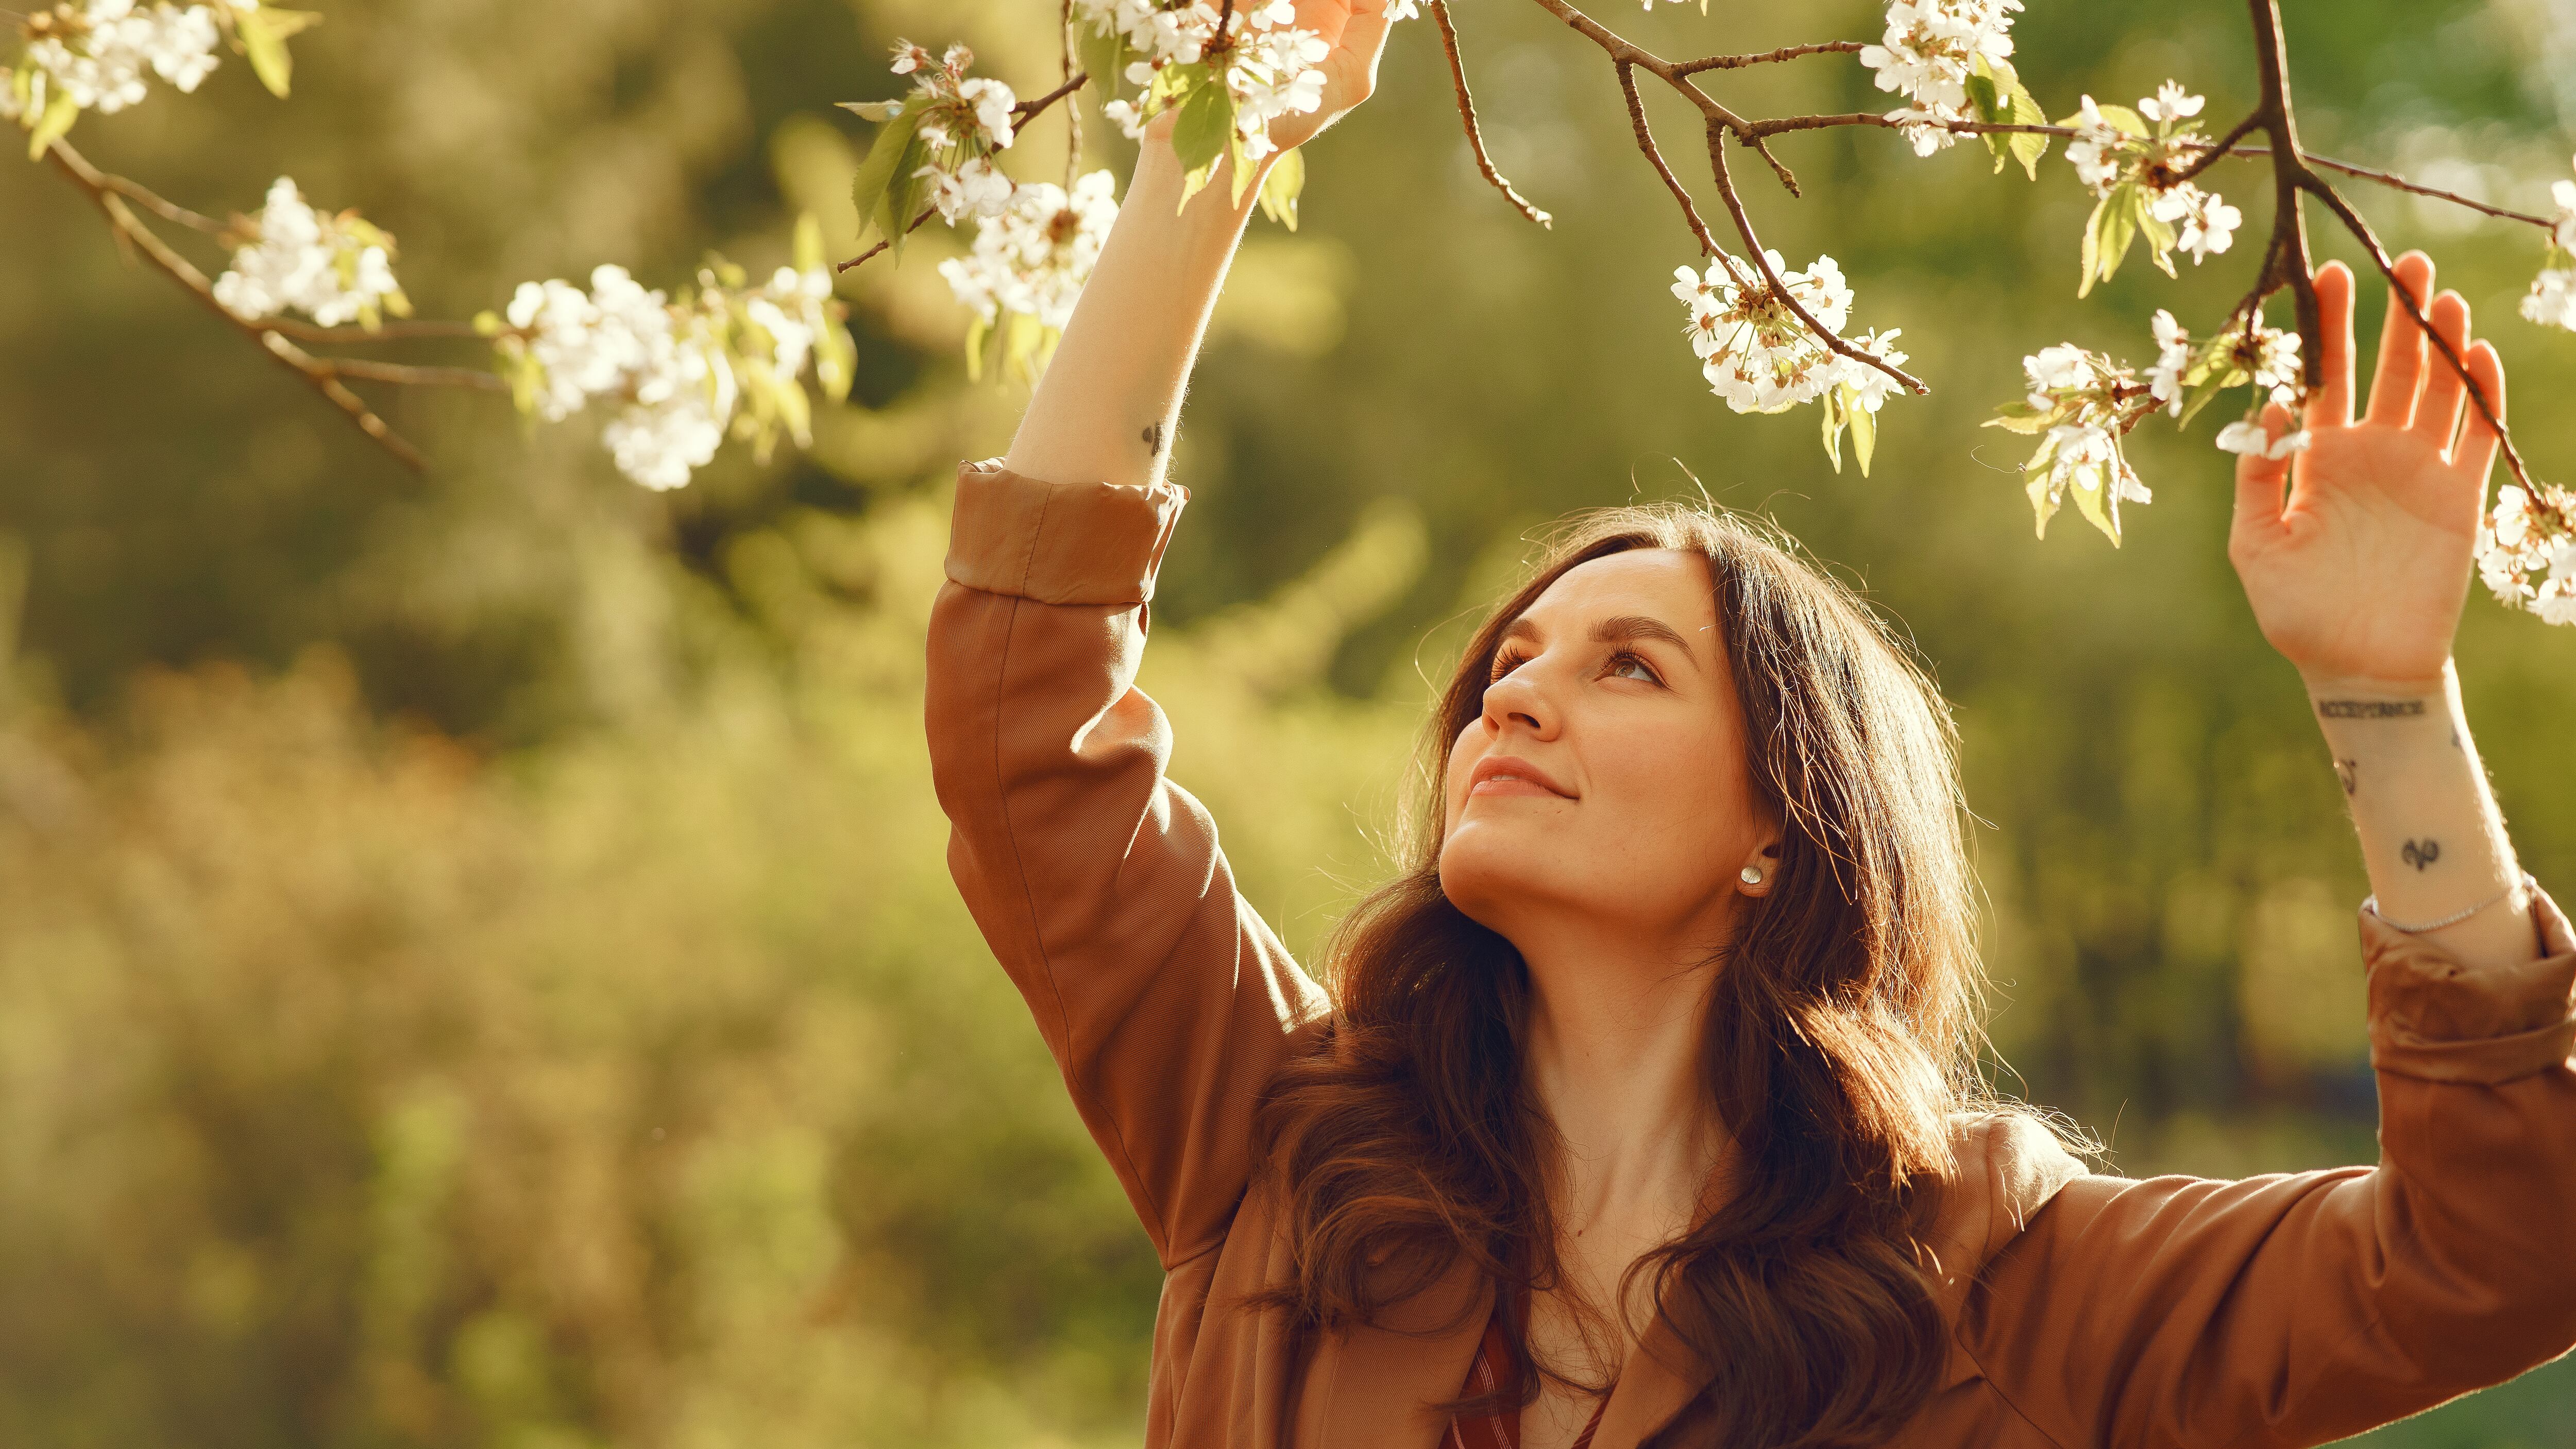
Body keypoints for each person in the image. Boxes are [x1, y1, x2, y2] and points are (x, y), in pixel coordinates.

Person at [923, 3, 2576, 1444]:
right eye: (1513, 655)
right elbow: (1028, 736)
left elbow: (2498, 1253)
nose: (1515, 686)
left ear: (1786, 831)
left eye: (1626, 665)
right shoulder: (1280, 1150)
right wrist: (1209, 147)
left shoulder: (2004, 1291)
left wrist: (2385, 693)